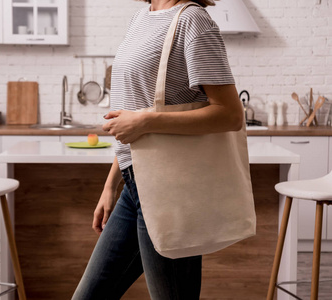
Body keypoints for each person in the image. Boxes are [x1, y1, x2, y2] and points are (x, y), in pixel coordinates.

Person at [72, 0, 244, 299]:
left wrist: (146, 121)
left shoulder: (193, 20)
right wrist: (111, 185)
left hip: (173, 191)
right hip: (134, 184)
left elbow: (230, 114)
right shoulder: (142, 17)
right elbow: (134, 119)